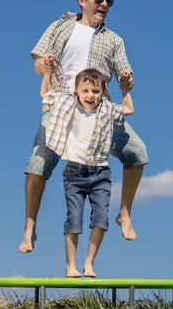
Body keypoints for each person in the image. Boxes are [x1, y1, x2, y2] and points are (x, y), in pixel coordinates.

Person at [19, 0, 149, 254]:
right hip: (62, 106)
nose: (104, 5)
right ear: (82, 0)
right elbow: (37, 64)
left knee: (137, 153)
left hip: (100, 111)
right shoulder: (60, 26)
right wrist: (45, 65)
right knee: (37, 166)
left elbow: (127, 77)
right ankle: (30, 228)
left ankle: (124, 213)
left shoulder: (113, 39)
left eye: (109, 1)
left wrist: (126, 81)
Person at [43, 68, 134, 277]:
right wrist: (47, 73)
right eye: (85, 91)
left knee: (101, 217)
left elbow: (129, 108)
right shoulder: (68, 105)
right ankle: (71, 266)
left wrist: (125, 89)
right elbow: (45, 94)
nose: (90, 96)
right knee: (74, 217)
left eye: (95, 91)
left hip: (101, 172)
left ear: (102, 93)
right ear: (76, 90)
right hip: (74, 172)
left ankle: (89, 262)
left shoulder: (107, 109)